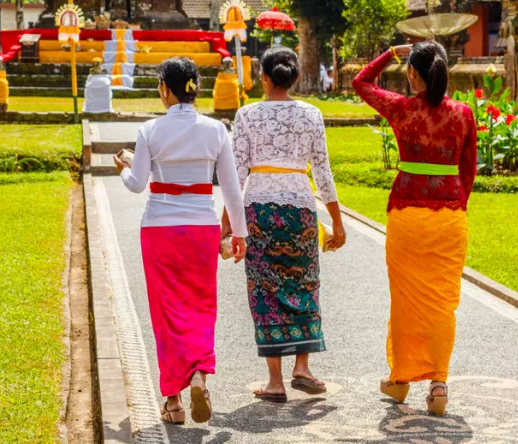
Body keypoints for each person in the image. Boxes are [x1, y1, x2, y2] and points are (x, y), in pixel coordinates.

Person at [114, 57, 247, 426]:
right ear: (195, 89)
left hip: (159, 228)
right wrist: (239, 233)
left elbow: (137, 184)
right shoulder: (216, 130)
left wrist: (125, 166)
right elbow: (232, 191)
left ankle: (172, 401)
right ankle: (200, 376)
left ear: (164, 89)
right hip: (201, 228)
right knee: (201, 306)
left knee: (166, 313)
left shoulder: (150, 130)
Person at [352, 41, 476, 418]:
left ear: (412, 74)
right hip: (449, 218)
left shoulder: (402, 108)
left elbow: (361, 83)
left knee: (405, 302)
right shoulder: (463, 113)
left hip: (407, 216)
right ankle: (438, 382)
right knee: (442, 302)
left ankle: (400, 378)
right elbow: (468, 170)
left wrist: (390, 52)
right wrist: (455, 203)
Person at [230, 46, 346, 403]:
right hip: (300, 210)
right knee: (305, 284)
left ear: (264, 77)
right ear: (293, 77)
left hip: (259, 213)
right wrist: (337, 223)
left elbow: (235, 176)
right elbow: (323, 173)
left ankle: (276, 382)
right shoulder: (311, 114)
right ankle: (303, 367)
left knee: (265, 292)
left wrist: (227, 227)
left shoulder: (246, 115)